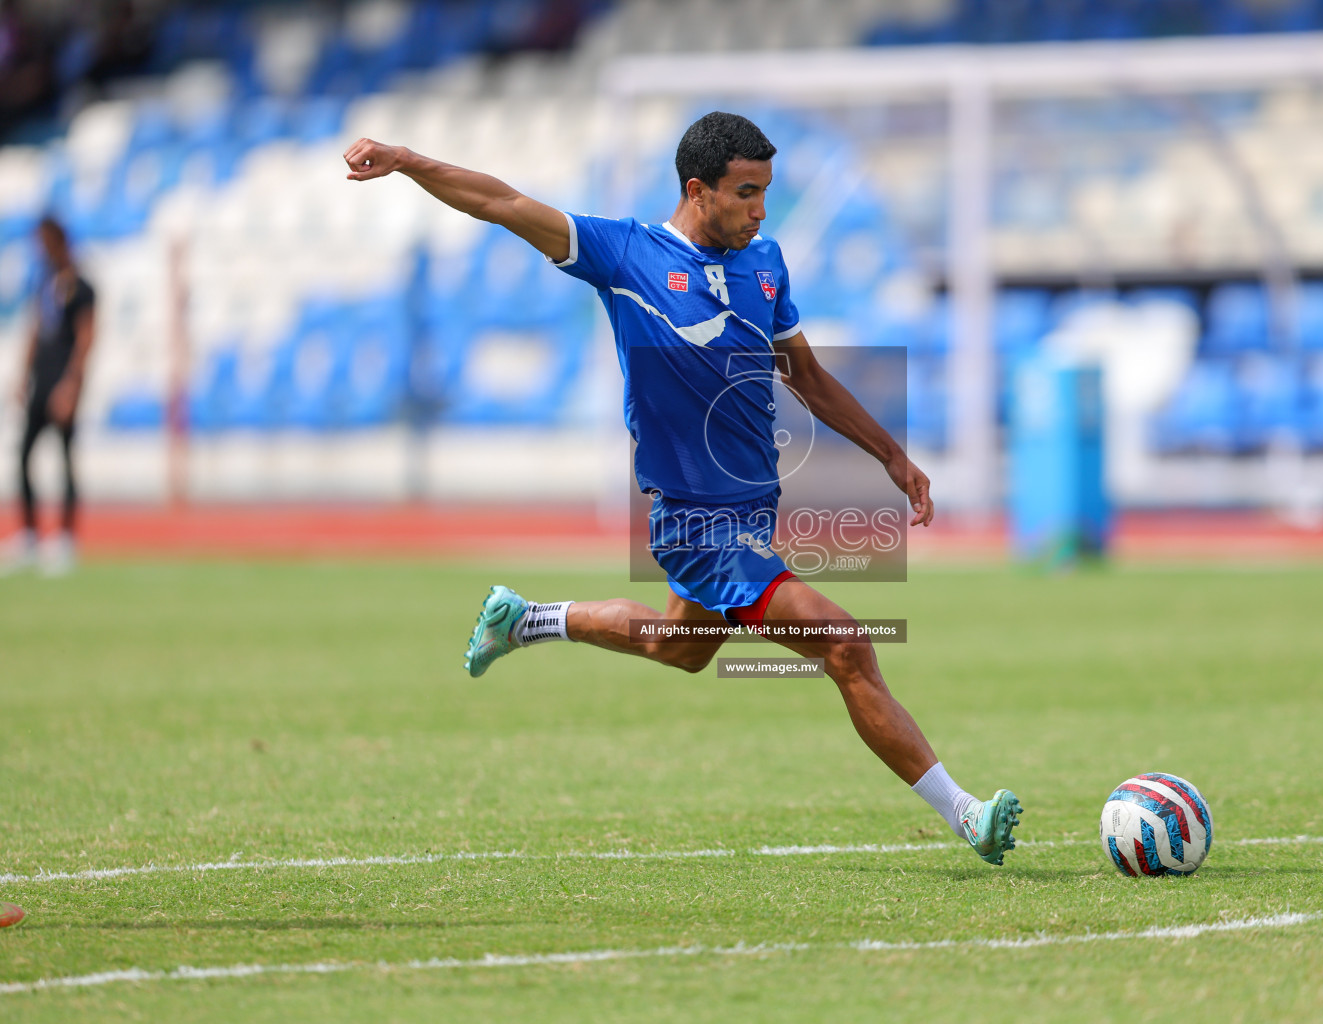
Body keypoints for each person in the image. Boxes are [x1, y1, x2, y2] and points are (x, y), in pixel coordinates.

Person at [342, 112, 1021, 864]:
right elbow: (500, 202)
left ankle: (527, 619)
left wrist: (890, 454)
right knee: (846, 644)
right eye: (746, 192)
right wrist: (406, 160)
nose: (760, 209)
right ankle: (966, 814)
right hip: (697, 522)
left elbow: (809, 377)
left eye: (766, 191)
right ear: (698, 191)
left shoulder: (765, 264)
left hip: (751, 511)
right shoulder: (624, 252)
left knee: (682, 647)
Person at [8, 216, 94, 575]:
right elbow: (35, 329)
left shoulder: (82, 287)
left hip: (63, 382)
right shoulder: (44, 283)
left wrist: (72, 384)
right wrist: (22, 375)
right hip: (41, 380)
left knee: (65, 459)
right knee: (24, 456)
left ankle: (65, 538)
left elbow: (87, 335)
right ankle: (28, 534)